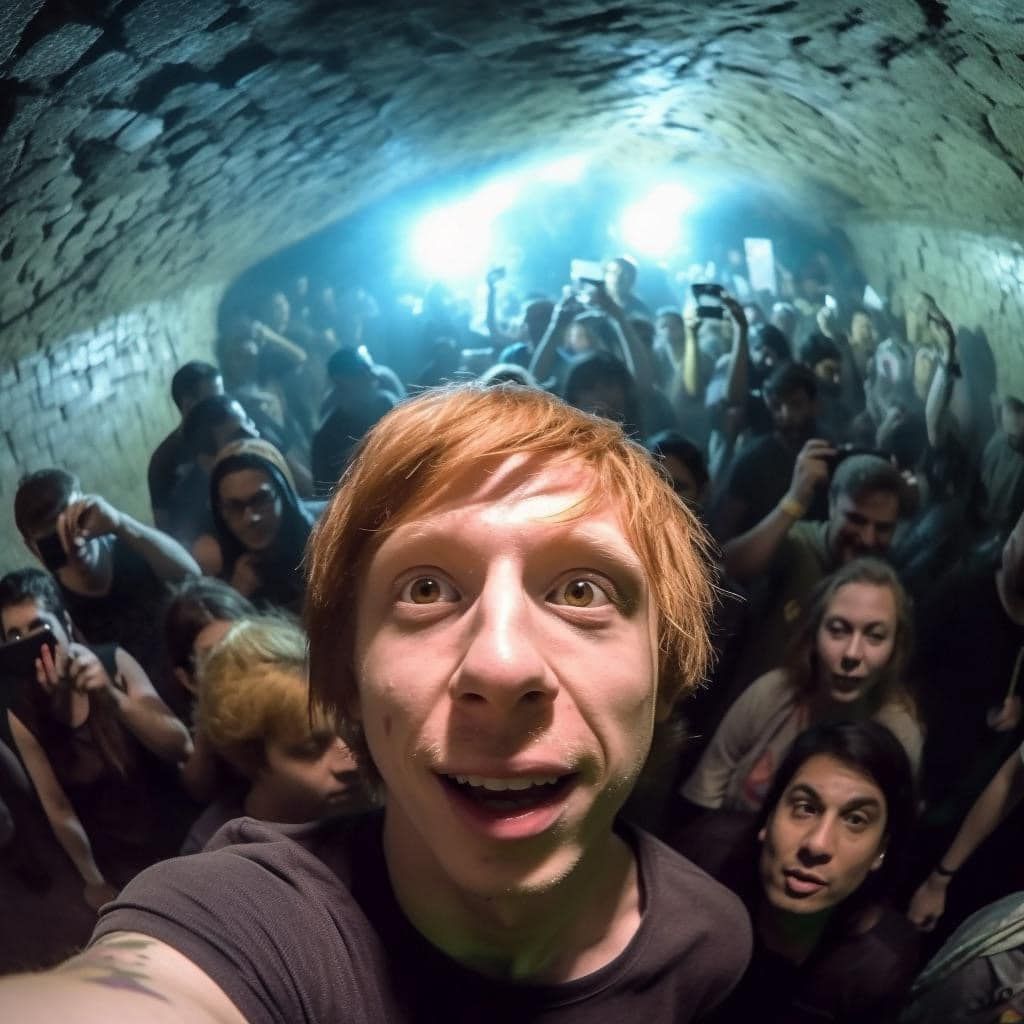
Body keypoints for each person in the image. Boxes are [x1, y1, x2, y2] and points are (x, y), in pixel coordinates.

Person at [0, 383, 752, 1021]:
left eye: (582, 591)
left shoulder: (709, 949)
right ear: (349, 675)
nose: (501, 664)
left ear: (665, 670)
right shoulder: (250, 920)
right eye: (425, 589)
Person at [677, 721, 920, 1023]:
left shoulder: (878, 965)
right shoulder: (705, 857)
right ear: (768, 817)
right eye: (805, 807)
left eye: (855, 820)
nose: (817, 844)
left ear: (880, 849)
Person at [0, 569, 192, 909]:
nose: (29, 645)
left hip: (175, 822)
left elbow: (180, 746)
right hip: (118, 851)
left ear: (65, 623)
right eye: (14, 636)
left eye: (38, 628)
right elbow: (56, 804)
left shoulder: (111, 661)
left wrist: (112, 697)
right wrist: (94, 880)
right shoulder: (22, 711)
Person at [682, 558, 922, 813]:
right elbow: (704, 793)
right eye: (838, 630)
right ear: (815, 633)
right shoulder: (774, 693)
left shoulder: (898, 734)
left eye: (875, 636)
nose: (852, 653)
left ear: (896, 646)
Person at [181, 616, 371, 854]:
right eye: (311, 749)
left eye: (353, 733)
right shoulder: (216, 857)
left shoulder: (378, 807)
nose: (352, 763)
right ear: (246, 756)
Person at [721, 450, 905, 688]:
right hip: (760, 703)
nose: (868, 538)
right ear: (832, 505)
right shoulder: (799, 544)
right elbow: (729, 566)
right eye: (856, 520)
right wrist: (793, 500)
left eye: (883, 528)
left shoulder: (887, 581)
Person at [13, 469, 200, 689]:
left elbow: (191, 575)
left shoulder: (131, 543)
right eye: (54, 540)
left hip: (193, 671)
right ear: (33, 549)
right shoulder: (53, 604)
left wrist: (120, 522)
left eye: (74, 523)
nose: (71, 542)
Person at [206, 438, 320, 613]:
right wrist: (236, 596)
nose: (251, 518)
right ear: (221, 511)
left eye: (260, 500)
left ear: (283, 495)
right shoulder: (217, 566)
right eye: (235, 506)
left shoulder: (325, 540)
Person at [148, 362, 224, 535]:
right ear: (188, 404)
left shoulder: (228, 436)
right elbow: (164, 528)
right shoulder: (165, 459)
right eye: (214, 400)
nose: (222, 405)